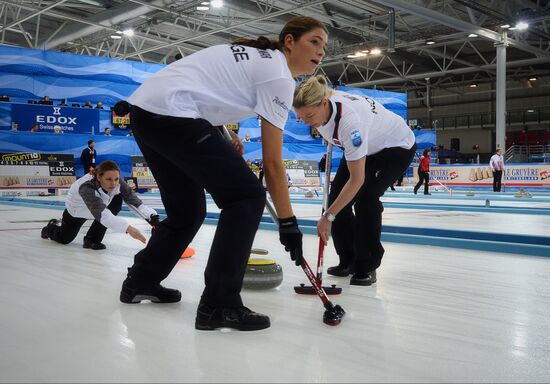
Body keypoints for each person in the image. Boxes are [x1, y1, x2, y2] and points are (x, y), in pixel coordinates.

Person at [122, 16, 327, 331]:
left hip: (146, 114)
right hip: (172, 115)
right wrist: (289, 224)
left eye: (324, 46)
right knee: (245, 197)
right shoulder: (278, 76)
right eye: (315, 41)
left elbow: (205, 89)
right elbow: (273, 164)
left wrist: (225, 134)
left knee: (187, 211)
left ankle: (141, 281)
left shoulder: (260, 60)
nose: (322, 51)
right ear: (289, 41)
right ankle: (219, 304)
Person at [293, 75, 416, 286]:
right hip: (365, 146)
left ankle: (367, 264)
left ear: (324, 104)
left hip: (394, 146)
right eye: (300, 118)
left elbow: (357, 180)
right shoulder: (321, 108)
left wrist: (327, 217)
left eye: (309, 116)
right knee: (336, 200)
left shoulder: (351, 123)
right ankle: (348, 259)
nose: (305, 122)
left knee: (366, 200)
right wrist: (331, 212)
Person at [41, 160, 156, 250]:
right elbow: (102, 214)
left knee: (117, 200)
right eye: (109, 179)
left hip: (99, 208)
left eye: (116, 179)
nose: (114, 183)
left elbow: (134, 201)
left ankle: (92, 239)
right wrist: (127, 228)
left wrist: (152, 217)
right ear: (99, 177)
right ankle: (49, 228)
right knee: (64, 239)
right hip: (77, 212)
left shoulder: (117, 183)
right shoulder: (86, 187)